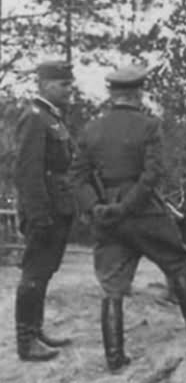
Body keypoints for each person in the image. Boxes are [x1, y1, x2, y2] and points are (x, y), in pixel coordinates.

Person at [69, 65, 186, 373]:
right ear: (137, 93)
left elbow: (76, 178)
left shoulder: (91, 129)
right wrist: (127, 207)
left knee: (112, 288)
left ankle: (114, 360)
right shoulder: (149, 126)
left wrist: (96, 208)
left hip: (107, 218)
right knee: (178, 265)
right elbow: (153, 174)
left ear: (112, 94)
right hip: (145, 214)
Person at [13, 60, 76, 362]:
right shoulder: (35, 118)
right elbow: (28, 172)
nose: (69, 89)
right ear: (46, 84)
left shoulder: (52, 118)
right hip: (44, 211)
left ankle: (36, 330)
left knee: (44, 272)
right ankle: (26, 341)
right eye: (64, 84)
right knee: (34, 274)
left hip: (57, 208)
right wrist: (39, 216)